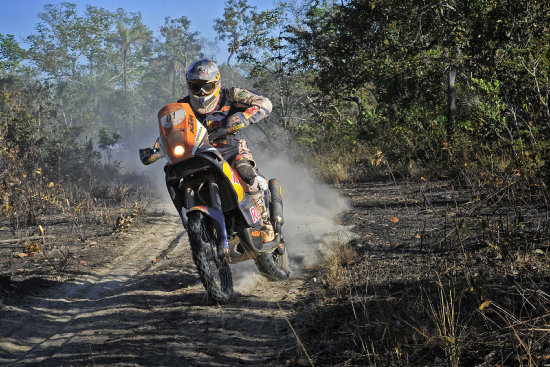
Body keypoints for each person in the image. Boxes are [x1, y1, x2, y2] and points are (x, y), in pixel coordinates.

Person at [143, 59, 274, 243]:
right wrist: (157, 148)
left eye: (207, 87)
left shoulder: (232, 94)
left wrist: (245, 116)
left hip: (232, 148)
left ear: (217, 83)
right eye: (196, 87)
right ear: (189, 86)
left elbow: (265, 103)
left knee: (245, 171)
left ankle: (265, 223)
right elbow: (171, 132)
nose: (202, 93)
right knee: (178, 177)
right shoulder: (182, 107)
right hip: (200, 153)